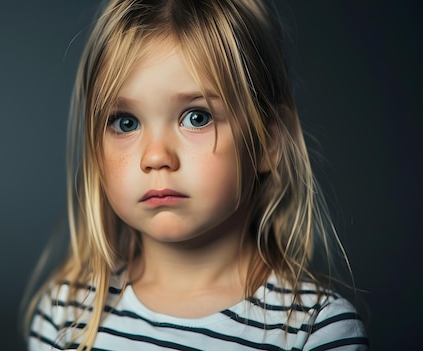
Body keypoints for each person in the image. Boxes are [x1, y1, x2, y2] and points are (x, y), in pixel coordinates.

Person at [23, 0, 368, 349]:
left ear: (268, 143)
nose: (156, 157)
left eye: (196, 117)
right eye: (126, 122)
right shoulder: (66, 315)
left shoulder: (316, 331)